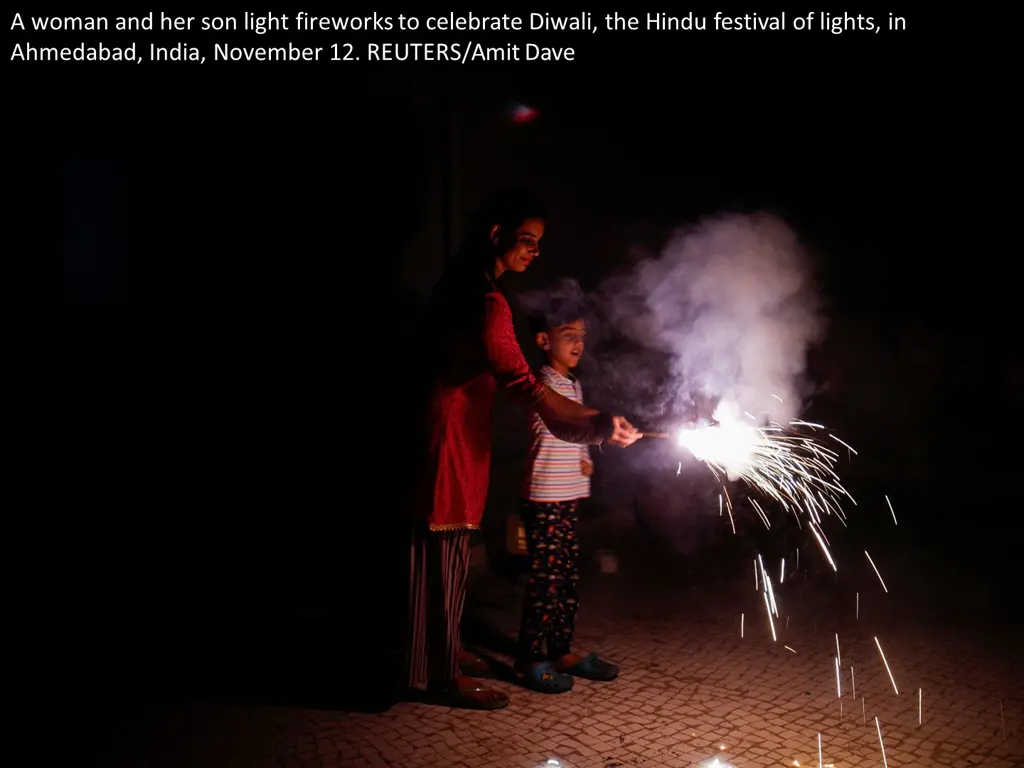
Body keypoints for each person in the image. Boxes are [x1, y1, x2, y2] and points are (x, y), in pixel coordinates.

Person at [406, 190, 641, 710]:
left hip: (457, 435)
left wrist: (596, 425)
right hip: (448, 437)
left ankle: (442, 650)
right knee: (438, 549)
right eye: (527, 240)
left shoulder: (466, 285)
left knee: (447, 550)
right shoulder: (483, 298)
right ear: (497, 235)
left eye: (538, 243)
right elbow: (524, 384)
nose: (534, 251)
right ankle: (434, 673)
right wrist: (598, 426)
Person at [514, 288, 620, 694]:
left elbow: (575, 434)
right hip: (544, 497)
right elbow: (563, 423)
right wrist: (601, 431)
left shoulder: (573, 386)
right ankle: (528, 658)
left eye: (583, 334)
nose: (579, 342)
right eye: (568, 333)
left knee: (567, 579)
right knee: (546, 581)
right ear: (544, 341)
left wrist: (589, 452)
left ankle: (560, 650)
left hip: (566, 496)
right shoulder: (543, 384)